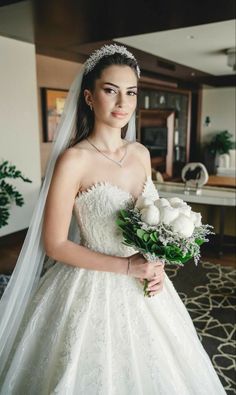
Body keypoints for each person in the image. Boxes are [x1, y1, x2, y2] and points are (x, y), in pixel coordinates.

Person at [0, 44, 226, 394]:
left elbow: (149, 220)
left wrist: (156, 262)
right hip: (88, 286)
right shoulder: (73, 161)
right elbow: (55, 244)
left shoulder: (139, 153)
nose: (123, 103)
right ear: (89, 97)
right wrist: (125, 268)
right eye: (111, 91)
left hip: (145, 286)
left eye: (131, 92)